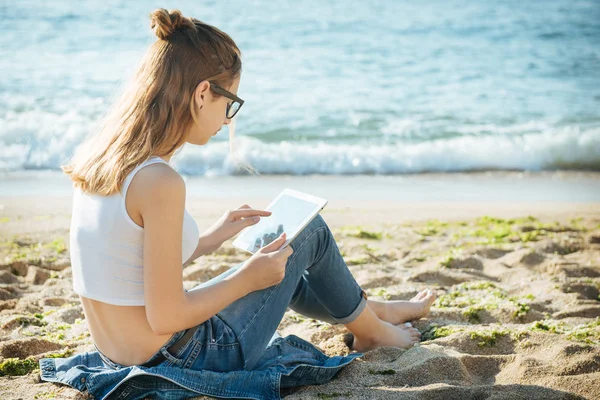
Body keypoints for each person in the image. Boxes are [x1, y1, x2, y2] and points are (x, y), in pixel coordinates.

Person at [39, 8, 436, 399]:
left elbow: (127, 268)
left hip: (119, 353)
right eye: (230, 104)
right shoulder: (160, 181)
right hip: (183, 357)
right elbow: (167, 316)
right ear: (202, 93)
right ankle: (370, 331)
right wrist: (246, 278)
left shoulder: (103, 160)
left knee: (277, 254)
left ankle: (371, 310)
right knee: (307, 233)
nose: (228, 120)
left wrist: (211, 238)